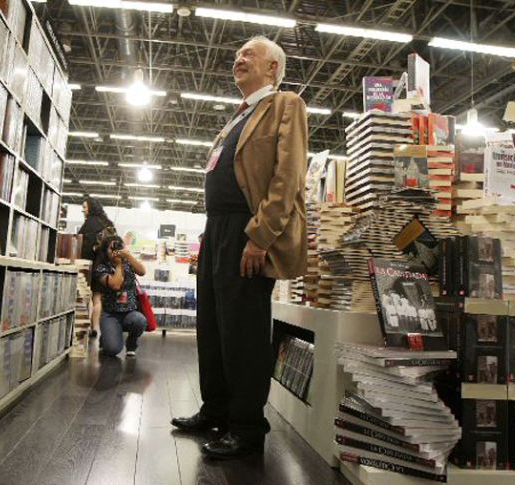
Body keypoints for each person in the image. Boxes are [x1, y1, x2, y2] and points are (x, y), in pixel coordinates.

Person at [170, 35, 308, 459]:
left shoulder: (286, 105)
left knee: (244, 333)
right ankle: (216, 410)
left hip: (248, 231)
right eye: (237, 54)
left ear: (273, 68)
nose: (238, 58)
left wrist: (260, 235)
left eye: (249, 54)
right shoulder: (238, 116)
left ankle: (247, 426)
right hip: (218, 231)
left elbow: (287, 176)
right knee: (212, 327)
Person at [93, 235, 148, 357]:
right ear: (105, 250)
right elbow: (116, 285)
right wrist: (118, 265)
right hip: (111, 314)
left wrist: (127, 255)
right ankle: (107, 336)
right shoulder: (101, 268)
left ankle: (132, 342)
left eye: (119, 246)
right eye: (112, 248)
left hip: (130, 312)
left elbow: (142, 271)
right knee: (112, 350)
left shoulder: (128, 263)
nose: (115, 251)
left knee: (139, 320)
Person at [77, 197, 116, 339]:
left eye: (85, 207)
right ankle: (95, 327)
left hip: (88, 265)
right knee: (97, 298)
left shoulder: (89, 223)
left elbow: (81, 244)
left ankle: (83, 327)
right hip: (103, 266)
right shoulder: (108, 223)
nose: (83, 210)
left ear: (91, 208)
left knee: (85, 296)